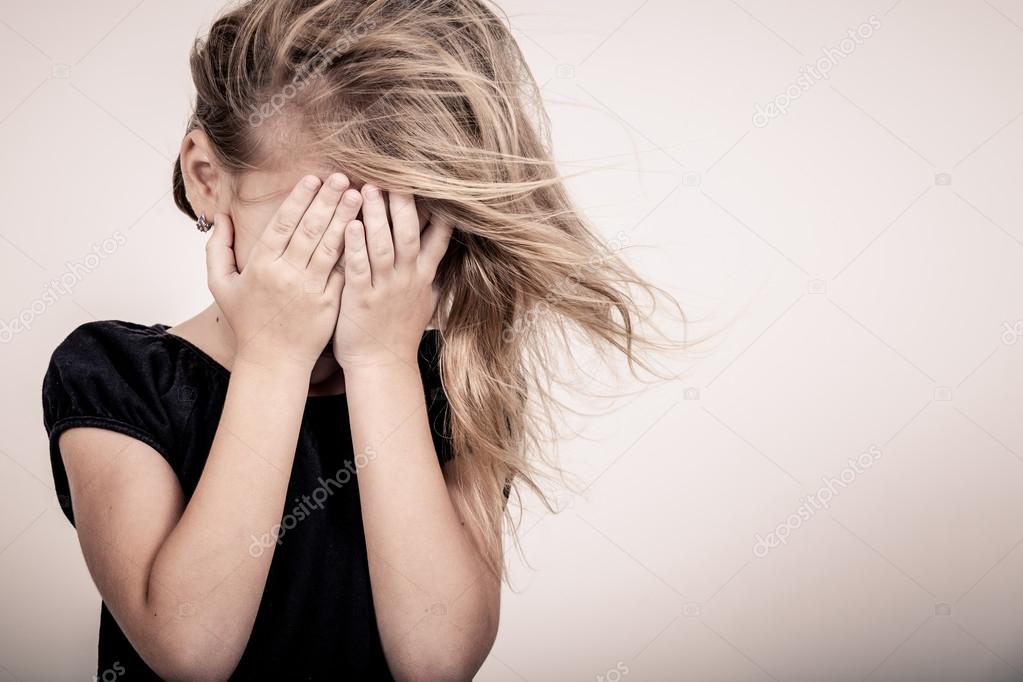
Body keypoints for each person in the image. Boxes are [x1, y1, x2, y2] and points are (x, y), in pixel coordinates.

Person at [41, 0, 677, 678]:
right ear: (206, 178)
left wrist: (380, 361)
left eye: (400, 226)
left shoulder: (454, 380)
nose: (363, 265)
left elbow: (435, 662)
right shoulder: (114, 376)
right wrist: (273, 357)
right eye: (320, 222)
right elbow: (192, 651)